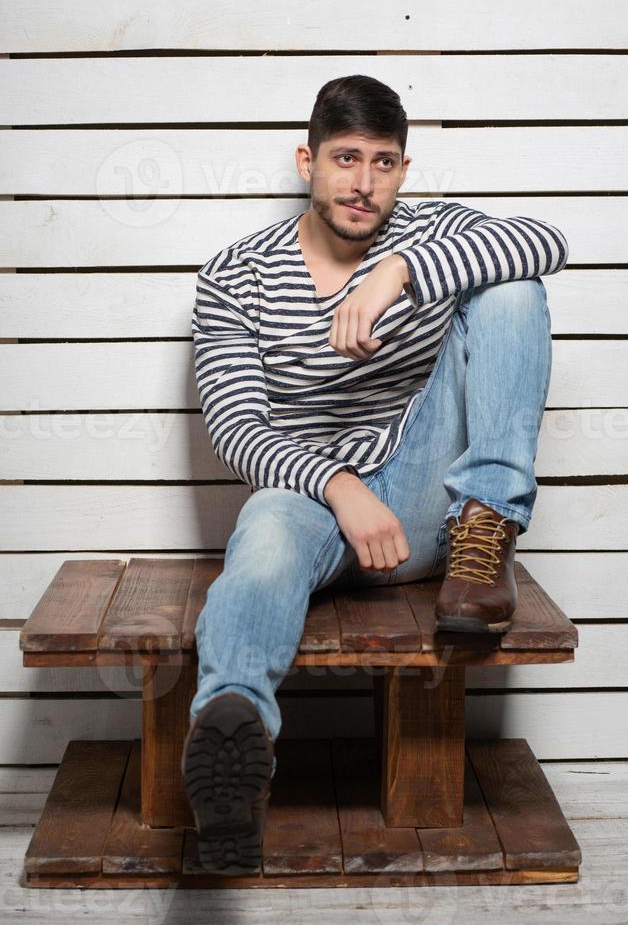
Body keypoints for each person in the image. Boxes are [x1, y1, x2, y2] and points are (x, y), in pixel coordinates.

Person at [181, 74, 569, 874]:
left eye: (384, 163)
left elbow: (547, 240)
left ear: (403, 170)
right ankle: (232, 754)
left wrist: (403, 274)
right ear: (307, 162)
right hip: (316, 503)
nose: (363, 183)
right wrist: (337, 485)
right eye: (346, 158)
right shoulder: (234, 276)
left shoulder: (426, 236)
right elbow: (235, 426)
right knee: (261, 546)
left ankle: (487, 525)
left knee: (510, 286)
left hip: (431, 500)